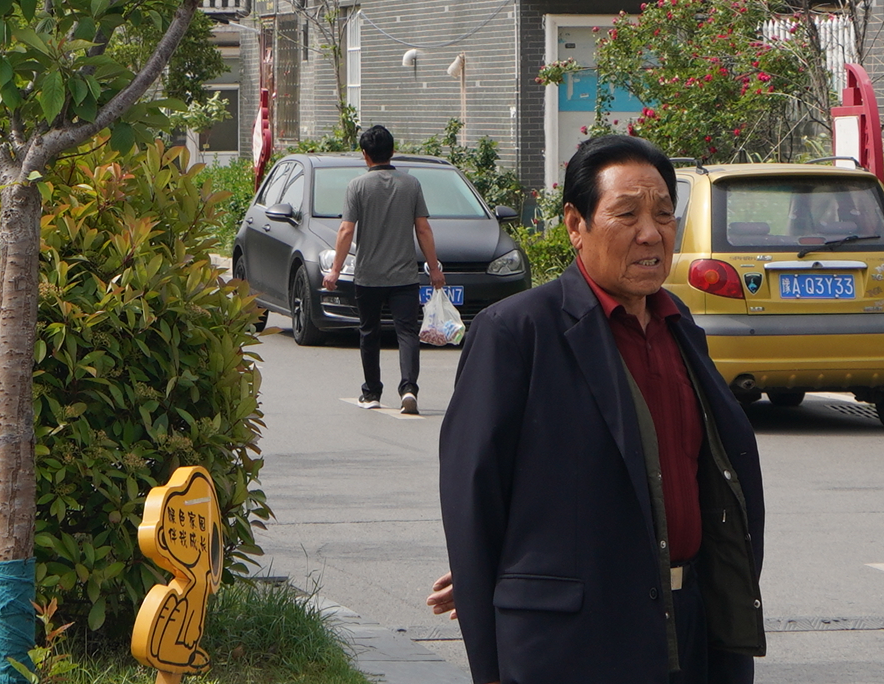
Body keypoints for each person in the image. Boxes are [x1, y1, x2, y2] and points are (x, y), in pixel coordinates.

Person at [433, 131, 765, 684]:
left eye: (663, 214)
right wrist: (490, 597)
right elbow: (475, 498)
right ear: (575, 225)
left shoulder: (679, 327)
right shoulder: (518, 333)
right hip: (569, 646)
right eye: (626, 213)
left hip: (691, 627)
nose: (650, 233)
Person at [321, 125, 448, 417]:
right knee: (406, 332)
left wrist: (335, 270)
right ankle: (409, 389)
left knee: (369, 332)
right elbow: (423, 229)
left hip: (368, 275)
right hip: (404, 276)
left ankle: (372, 392)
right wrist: (433, 268)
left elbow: (345, 230)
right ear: (392, 151)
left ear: (365, 155)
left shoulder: (357, 186)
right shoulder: (411, 184)